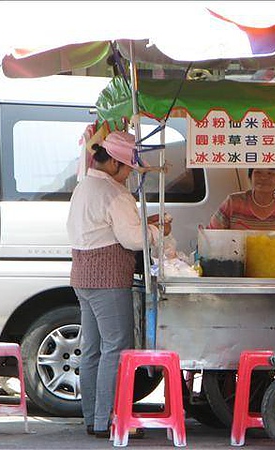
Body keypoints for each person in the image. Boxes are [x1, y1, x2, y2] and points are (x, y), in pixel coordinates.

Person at [67, 131, 170, 437]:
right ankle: (105, 421)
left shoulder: (84, 186)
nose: (129, 175)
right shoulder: (114, 193)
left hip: (83, 276)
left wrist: (143, 227)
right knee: (115, 347)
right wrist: (157, 231)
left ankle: (92, 418)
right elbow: (130, 238)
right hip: (109, 277)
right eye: (127, 169)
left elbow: (107, 229)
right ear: (113, 163)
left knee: (93, 350)